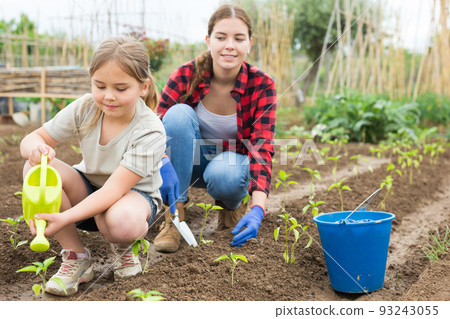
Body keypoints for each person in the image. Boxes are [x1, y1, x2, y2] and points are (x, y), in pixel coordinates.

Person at [19, 36, 166, 296]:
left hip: (132, 199)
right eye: (100, 85)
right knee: (36, 170)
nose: (108, 96)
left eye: (121, 89)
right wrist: (35, 149)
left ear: (143, 87)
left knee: (122, 221)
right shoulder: (87, 107)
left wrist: (63, 217)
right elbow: (32, 138)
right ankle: (76, 258)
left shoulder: (150, 129)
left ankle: (124, 249)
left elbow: (113, 192)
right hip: (88, 191)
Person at [155, 4, 277, 253]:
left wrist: (258, 209)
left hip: (230, 164)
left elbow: (261, 149)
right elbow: (154, 128)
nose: (229, 45)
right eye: (221, 37)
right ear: (208, 40)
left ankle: (230, 208)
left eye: (238, 38)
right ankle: (174, 217)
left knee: (226, 175)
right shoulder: (185, 75)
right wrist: (163, 163)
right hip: (186, 162)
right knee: (177, 115)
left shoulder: (262, 85)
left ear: (249, 43)